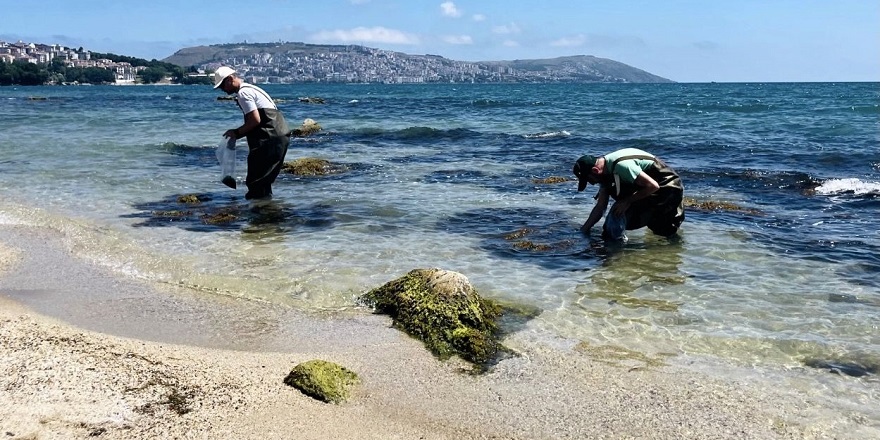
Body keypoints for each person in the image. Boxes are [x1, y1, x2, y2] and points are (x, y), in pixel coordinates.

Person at [573, 148, 684, 240]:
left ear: (595, 171)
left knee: (615, 219)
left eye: (591, 180)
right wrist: (584, 230)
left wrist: (627, 201)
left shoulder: (621, 166)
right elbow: (600, 206)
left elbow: (653, 186)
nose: (593, 183)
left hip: (668, 186)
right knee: (612, 226)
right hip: (649, 186)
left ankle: (616, 256)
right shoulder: (605, 171)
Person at [214, 66, 291, 200]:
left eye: (222, 85)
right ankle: (268, 213)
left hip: (270, 137)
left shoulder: (243, 94)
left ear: (230, 79)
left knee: (256, 182)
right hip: (278, 135)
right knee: (263, 181)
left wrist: (236, 133)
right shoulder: (251, 88)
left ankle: (258, 216)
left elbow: (255, 120)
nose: (222, 89)